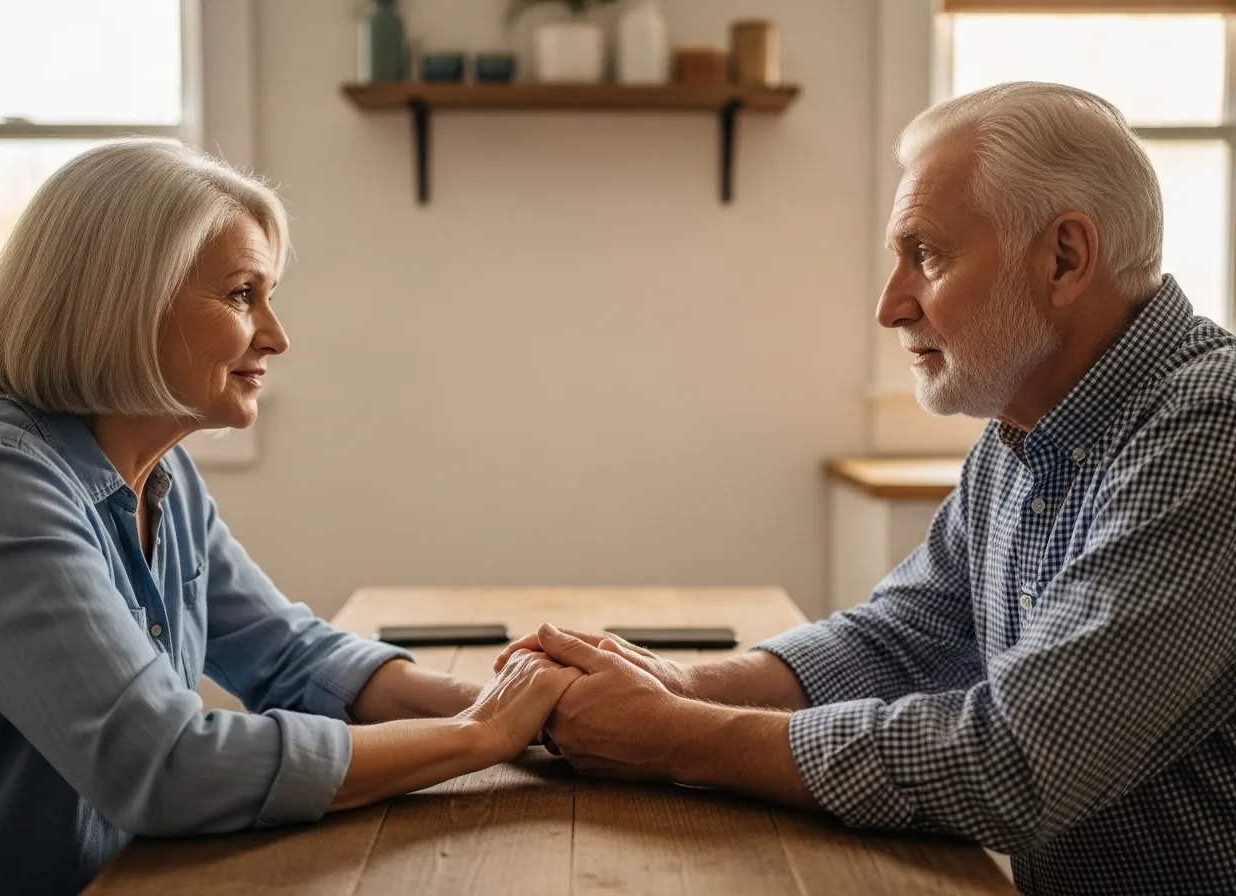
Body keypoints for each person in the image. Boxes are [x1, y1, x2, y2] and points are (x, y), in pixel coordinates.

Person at [499, 82, 1236, 896]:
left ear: (1065, 257)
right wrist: (681, 684)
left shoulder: (1212, 430)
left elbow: (1018, 761)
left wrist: (678, 737)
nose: (889, 305)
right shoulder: (1024, 428)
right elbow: (906, 634)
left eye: (927, 256)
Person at [0, 139, 582, 895]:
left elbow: (288, 655)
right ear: (124, 301)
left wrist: (536, 708)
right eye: (242, 295)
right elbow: (166, 766)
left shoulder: (164, 476)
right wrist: (480, 736)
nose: (277, 337)